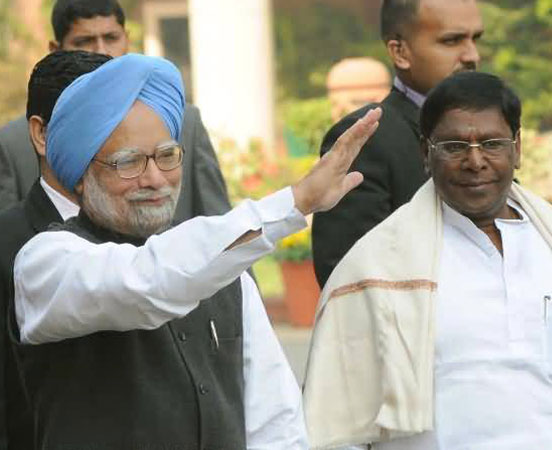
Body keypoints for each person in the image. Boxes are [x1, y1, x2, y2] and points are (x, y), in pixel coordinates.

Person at [9, 53, 381, 449]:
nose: (155, 179)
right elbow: (149, 280)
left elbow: (275, 425)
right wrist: (293, 202)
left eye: (166, 156)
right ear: (82, 175)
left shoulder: (227, 272)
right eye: (128, 162)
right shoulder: (46, 263)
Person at [303, 72, 552, 449]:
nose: (475, 161)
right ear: (425, 154)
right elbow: (338, 426)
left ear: (517, 148)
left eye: (492, 144)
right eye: (455, 146)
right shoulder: (375, 268)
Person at [0, 0, 231, 220]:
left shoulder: (183, 121)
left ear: (126, 40)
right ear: (55, 49)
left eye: (111, 38)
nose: (101, 51)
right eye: (84, 41)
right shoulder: (14, 144)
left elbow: (221, 228)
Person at [312, 0, 484, 287]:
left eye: (475, 39)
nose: (472, 55)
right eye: (452, 40)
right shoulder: (367, 139)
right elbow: (347, 277)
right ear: (400, 52)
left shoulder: (488, 128)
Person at [0, 50, 112, 450]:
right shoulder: (6, 245)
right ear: (41, 134)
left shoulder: (149, 240)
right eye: (94, 124)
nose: (115, 142)